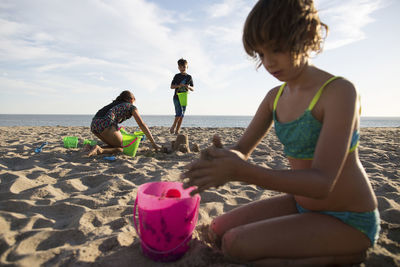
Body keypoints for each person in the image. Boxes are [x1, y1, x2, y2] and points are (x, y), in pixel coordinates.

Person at [181, 0, 380, 265]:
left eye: (276, 49)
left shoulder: (339, 92)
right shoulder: (274, 97)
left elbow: (322, 183)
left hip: (348, 217)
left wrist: (242, 172)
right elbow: (242, 150)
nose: (269, 62)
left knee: (234, 244)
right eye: (260, 54)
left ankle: (346, 251)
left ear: (307, 35)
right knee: (216, 230)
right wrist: (220, 159)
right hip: (301, 204)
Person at [87, 90, 160, 156]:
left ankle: (90, 147)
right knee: (121, 148)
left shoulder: (115, 103)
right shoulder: (131, 107)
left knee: (113, 146)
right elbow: (141, 124)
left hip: (94, 124)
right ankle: (100, 150)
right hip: (107, 124)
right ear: (131, 99)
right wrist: (153, 143)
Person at [170, 58, 194, 134]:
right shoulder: (176, 76)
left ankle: (177, 131)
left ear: (187, 67)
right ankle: (173, 126)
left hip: (184, 97)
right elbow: (171, 86)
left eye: (184, 67)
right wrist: (178, 86)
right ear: (178, 67)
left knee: (182, 115)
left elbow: (193, 88)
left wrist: (189, 87)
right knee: (179, 113)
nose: (182, 69)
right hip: (176, 97)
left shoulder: (189, 77)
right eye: (180, 67)